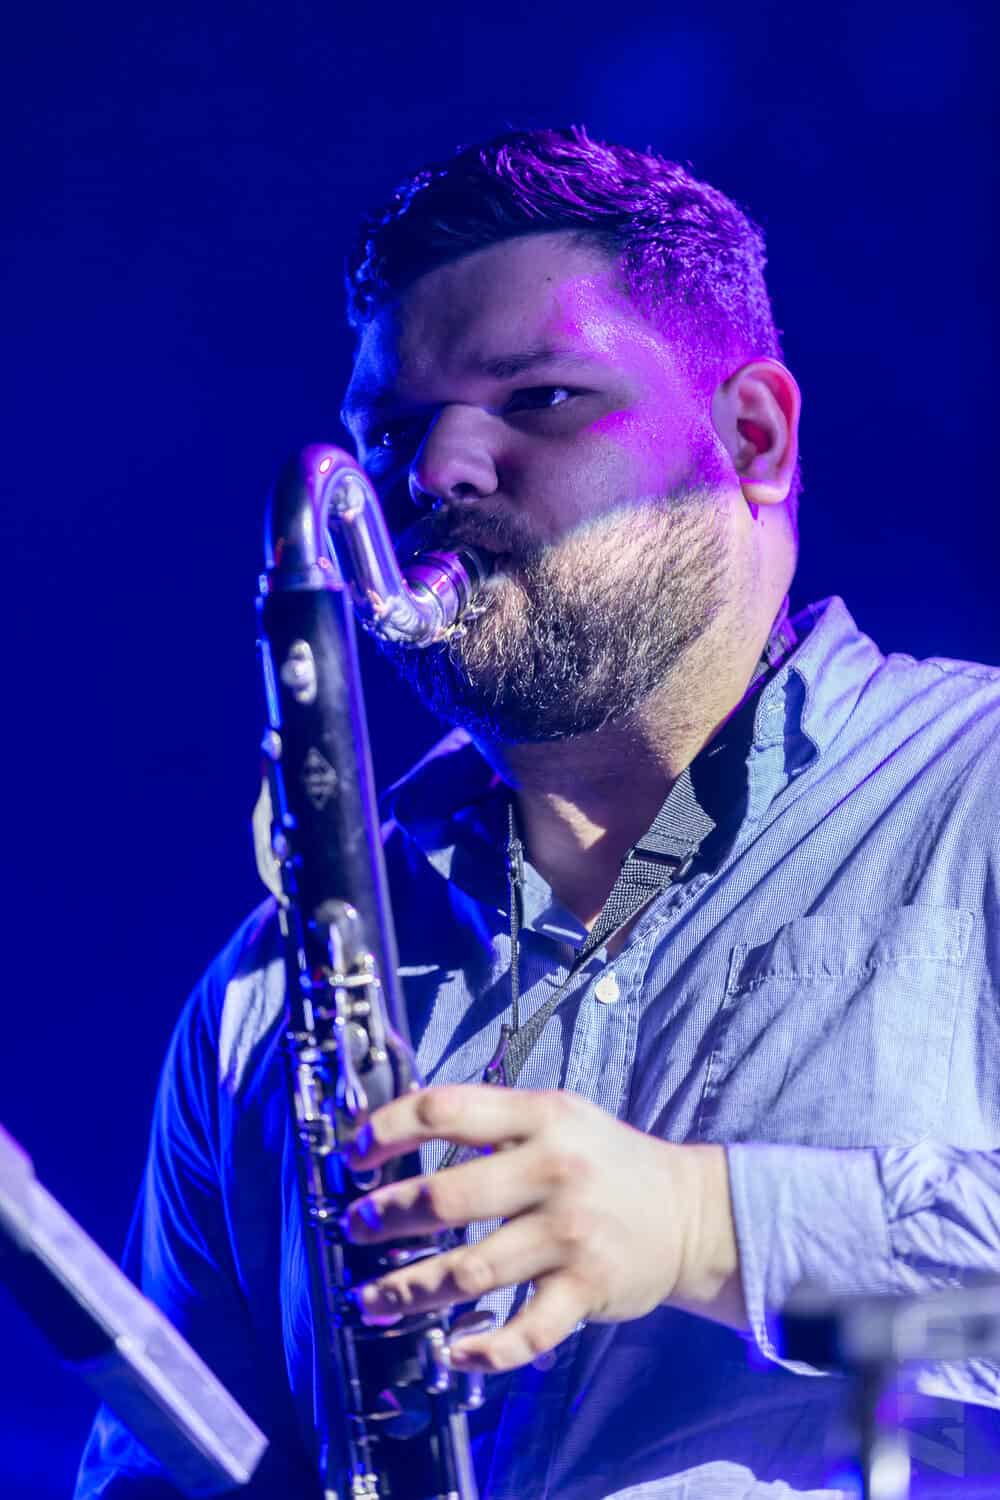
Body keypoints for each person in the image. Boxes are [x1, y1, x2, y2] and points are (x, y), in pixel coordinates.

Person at [77, 127, 1000, 1500]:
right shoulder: (262, 998)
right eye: (394, 433)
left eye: (542, 399)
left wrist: (706, 1229)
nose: (435, 475)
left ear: (750, 438)